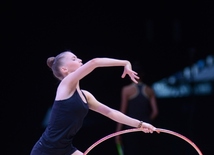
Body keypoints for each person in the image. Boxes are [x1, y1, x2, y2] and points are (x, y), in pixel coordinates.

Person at [30, 51, 159, 155]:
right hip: (46, 150)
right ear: (64, 69)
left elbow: (111, 113)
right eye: (74, 59)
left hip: (65, 149)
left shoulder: (86, 96)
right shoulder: (65, 85)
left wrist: (140, 124)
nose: (80, 59)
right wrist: (125, 62)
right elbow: (94, 62)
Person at [115, 61, 159, 155]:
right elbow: (155, 112)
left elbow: (122, 112)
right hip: (147, 128)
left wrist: (118, 132)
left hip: (131, 128)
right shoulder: (149, 90)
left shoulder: (126, 90)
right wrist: (147, 121)